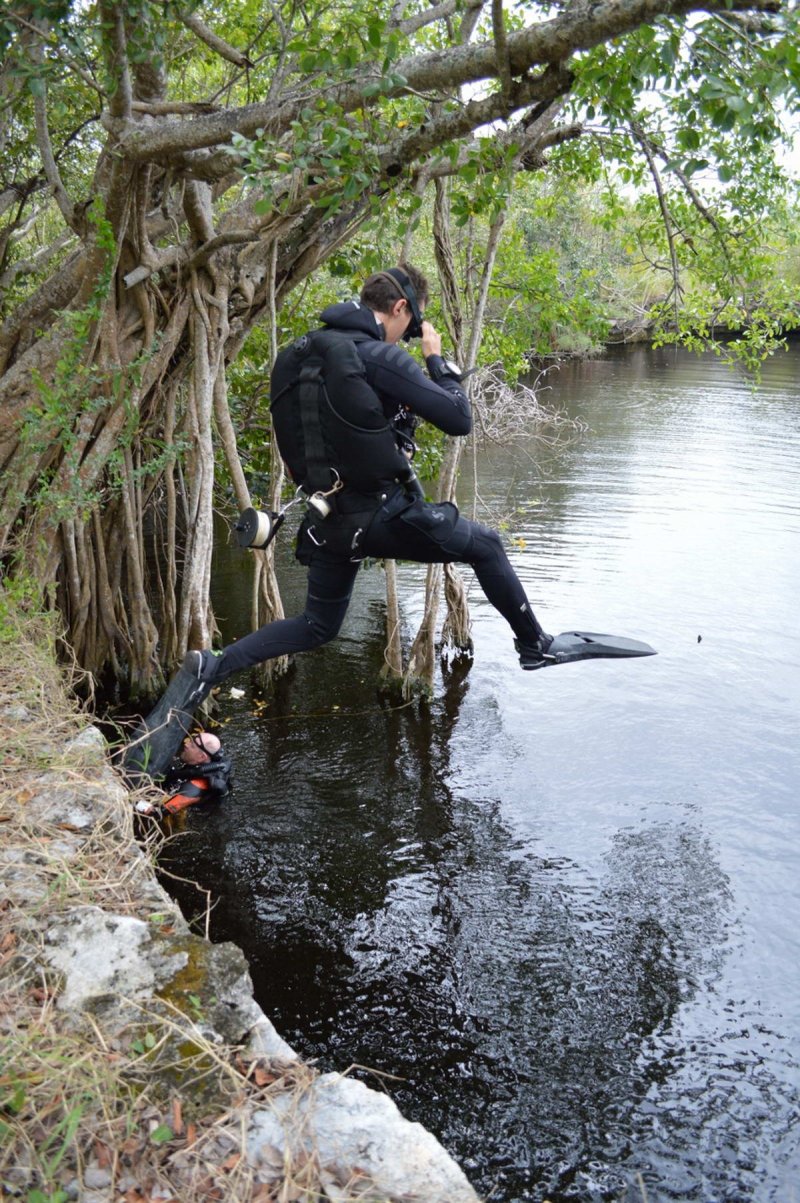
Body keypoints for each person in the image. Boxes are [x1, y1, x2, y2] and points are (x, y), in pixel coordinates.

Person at [184, 262, 553, 695]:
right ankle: (535, 645)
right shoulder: (376, 355)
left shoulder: (297, 356)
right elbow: (458, 418)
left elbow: (297, 448)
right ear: (400, 307)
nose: (408, 337)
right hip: (378, 515)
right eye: (411, 327)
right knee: (487, 546)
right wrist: (435, 360)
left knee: (317, 625)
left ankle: (212, 666)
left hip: (327, 518)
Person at [135, 731, 232, 816]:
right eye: (190, 741)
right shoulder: (210, 761)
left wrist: (132, 800)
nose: (186, 744)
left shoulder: (193, 788)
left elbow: (157, 813)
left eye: (192, 745)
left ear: (201, 757)